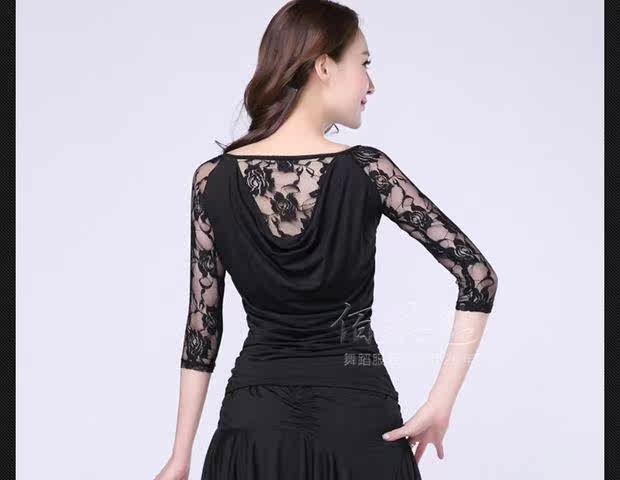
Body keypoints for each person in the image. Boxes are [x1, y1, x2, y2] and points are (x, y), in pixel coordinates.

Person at [155, 1, 498, 479]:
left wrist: (180, 456)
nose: (370, 84)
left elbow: (202, 327)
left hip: (253, 428)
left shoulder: (211, 180)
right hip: (358, 423)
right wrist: (440, 403)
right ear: (323, 66)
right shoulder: (368, 170)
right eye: (364, 63)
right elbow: (478, 277)